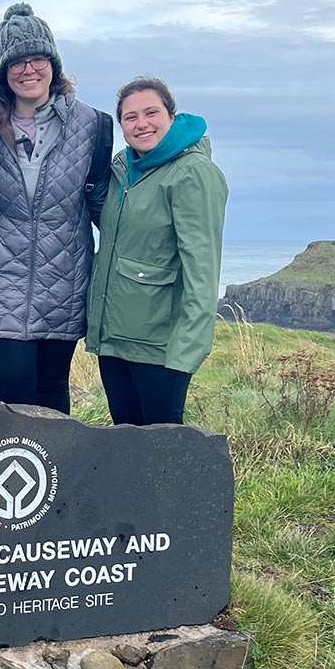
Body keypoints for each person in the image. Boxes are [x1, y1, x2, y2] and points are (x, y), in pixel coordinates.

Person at [0, 3, 111, 414]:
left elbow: (100, 200)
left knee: (52, 389)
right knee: (12, 389)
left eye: (38, 59)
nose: (28, 70)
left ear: (54, 64)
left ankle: (53, 477)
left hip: (64, 275)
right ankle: (8, 478)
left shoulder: (93, 124)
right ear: (4, 71)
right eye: (17, 62)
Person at [85, 77, 227, 426]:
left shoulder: (193, 174)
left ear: (171, 115)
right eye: (130, 117)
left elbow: (202, 272)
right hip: (115, 341)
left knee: (163, 457)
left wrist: (185, 354)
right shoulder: (125, 170)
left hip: (160, 347)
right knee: (127, 447)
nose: (141, 124)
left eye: (151, 112)